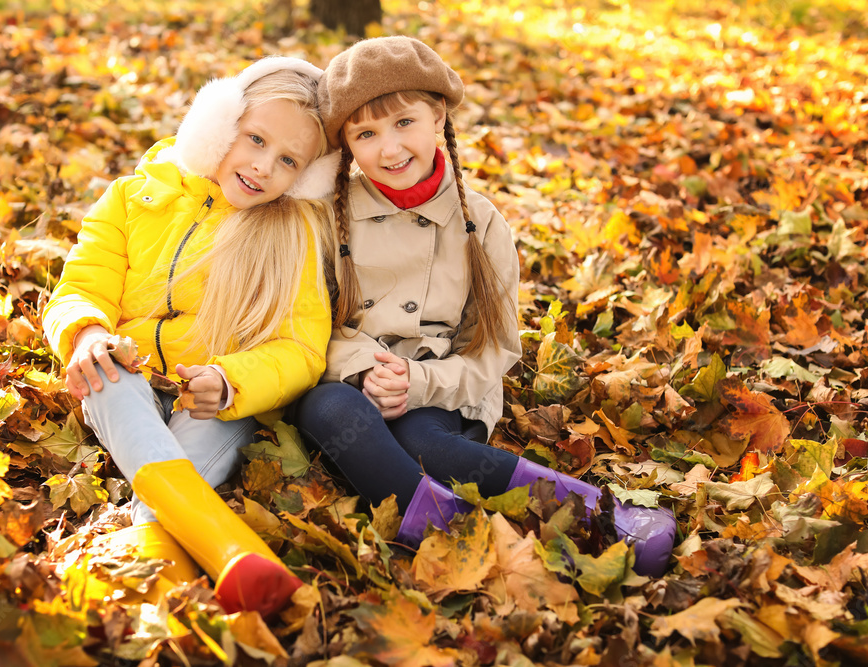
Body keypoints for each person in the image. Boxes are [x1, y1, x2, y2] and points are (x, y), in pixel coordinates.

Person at [294, 36, 676, 576]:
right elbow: (307, 322)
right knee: (327, 410)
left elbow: (493, 349)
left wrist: (419, 382)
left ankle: (596, 510)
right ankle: (457, 536)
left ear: (437, 114)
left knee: (428, 444)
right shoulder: (326, 218)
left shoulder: (481, 222)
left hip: (444, 390)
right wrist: (366, 371)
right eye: (366, 133)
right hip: (352, 387)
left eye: (404, 122)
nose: (389, 148)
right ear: (347, 145)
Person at [42, 57, 339, 616]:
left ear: (305, 176)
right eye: (254, 138)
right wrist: (87, 335)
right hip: (124, 379)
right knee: (110, 377)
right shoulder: (133, 197)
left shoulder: (290, 235)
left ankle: (157, 584)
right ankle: (228, 549)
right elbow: (83, 285)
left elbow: (301, 349)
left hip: (212, 405)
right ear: (217, 123)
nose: (262, 166)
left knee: (196, 442)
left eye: (287, 160)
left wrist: (230, 383)